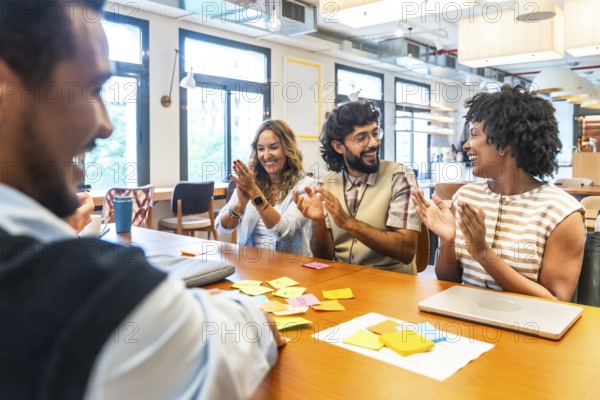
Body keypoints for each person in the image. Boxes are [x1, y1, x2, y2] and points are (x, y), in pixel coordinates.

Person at [0, 1, 284, 398]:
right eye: (92, 89)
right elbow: (238, 335)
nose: (105, 124)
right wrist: (241, 200)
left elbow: (284, 233)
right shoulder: (101, 298)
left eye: (274, 148)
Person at [412, 85, 585, 302]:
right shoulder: (466, 196)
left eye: (474, 134)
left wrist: (483, 253)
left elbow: (557, 301)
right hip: (466, 318)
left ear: (506, 142)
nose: (466, 145)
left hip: (528, 328)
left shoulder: (562, 213)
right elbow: (449, 280)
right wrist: (448, 241)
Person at [294, 101, 421, 274]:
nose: (374, 143)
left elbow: (406, 251)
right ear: (339, 147)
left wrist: (348, 223)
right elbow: (323, 256)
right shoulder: (327, 185)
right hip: (342, 283)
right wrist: (319, 223)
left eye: (375, 133)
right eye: (361, 138)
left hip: (392, 286)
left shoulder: (400, 176)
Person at [216, 120, 313, 257]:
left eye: (273, 147)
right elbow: (221, 229)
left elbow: (284, 232)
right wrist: (239, 205)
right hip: (250, 266)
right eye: (261, 148)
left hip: (291, 268)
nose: (266, 155)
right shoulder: (250, 182)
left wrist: (253, 191)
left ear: (288, 149)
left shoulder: (306, 186)